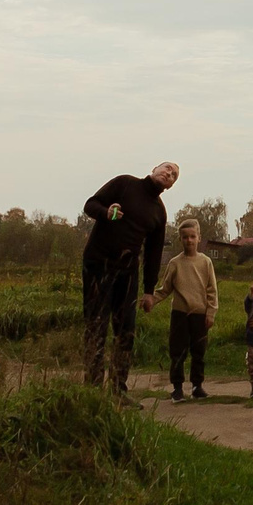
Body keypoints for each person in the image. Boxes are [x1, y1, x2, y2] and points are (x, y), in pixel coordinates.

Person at [80, 161, 177, 395]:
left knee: (126, 331)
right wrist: (106, 212)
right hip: (99, 265)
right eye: (166, 168)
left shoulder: (159, 212)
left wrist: (149, 291)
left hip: (128, 272)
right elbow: (90, 205)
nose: (169, 173)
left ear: (171, 186)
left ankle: (118, 391)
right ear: (154, 169)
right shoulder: (125, 184)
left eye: (174, 175)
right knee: (96, 326)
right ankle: (92, 390)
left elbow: (153, 254)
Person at [145, 216, 218, 400]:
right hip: (180, 314)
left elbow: (212, 290)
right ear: (180, 239)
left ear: (199, 238)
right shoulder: (175, 263)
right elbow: (165, 288)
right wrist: (152, 299)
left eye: (192, 237)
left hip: (200, 314)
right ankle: (177, 388)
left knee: (198, 351)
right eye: (185, 237)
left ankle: (197, 386)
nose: (189, 240)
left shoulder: (206, 262)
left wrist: (211, 313)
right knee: (177, 351)